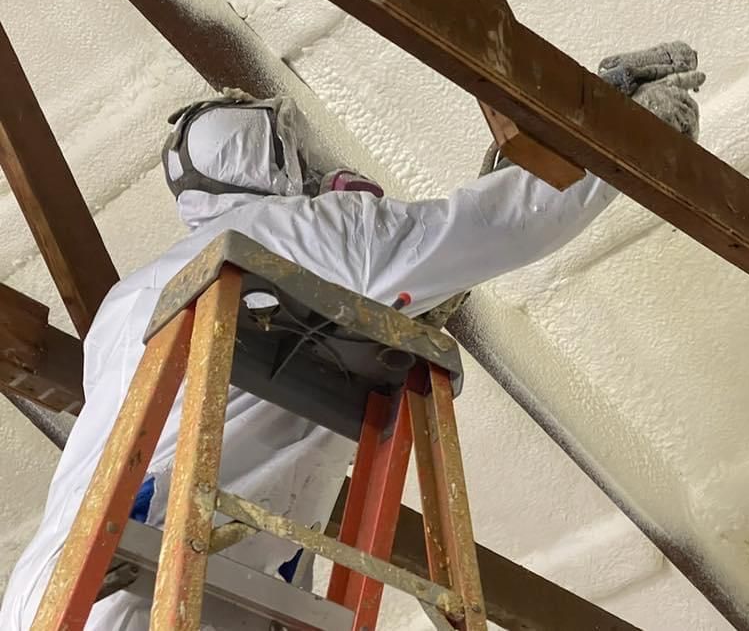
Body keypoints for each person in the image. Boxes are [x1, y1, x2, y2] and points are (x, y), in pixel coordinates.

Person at [0, 43, 704, 630]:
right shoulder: (300, 232)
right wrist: (624, 142)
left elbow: (420, 287)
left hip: (57, 591)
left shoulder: (131, 300)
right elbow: (486, 230)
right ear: (275, 157)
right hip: (162, 599)